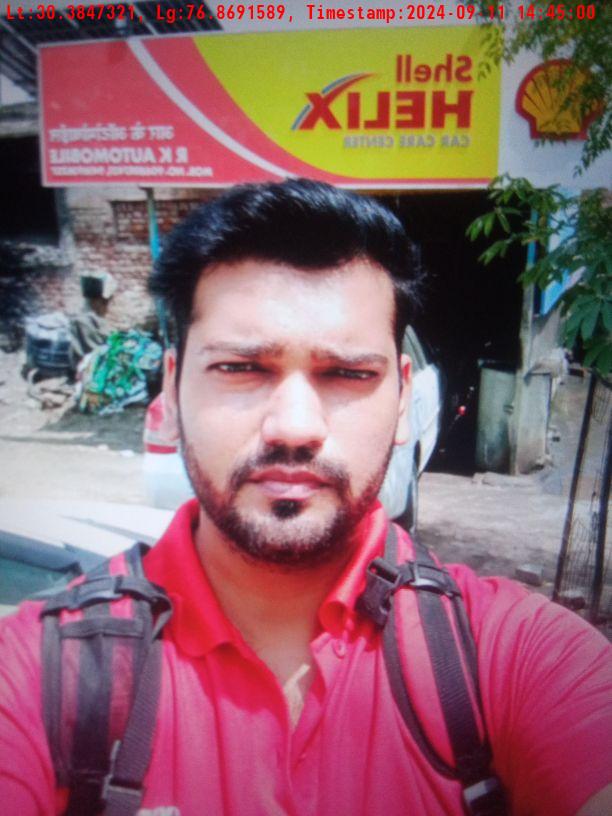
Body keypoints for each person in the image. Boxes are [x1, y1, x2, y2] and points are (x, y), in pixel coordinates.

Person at [1, 179, 611, 816]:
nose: (294, 427)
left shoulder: (514, 657)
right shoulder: (42, 674)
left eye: (348, 373)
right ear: (173, 389)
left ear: (404, 398)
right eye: (241, 368)